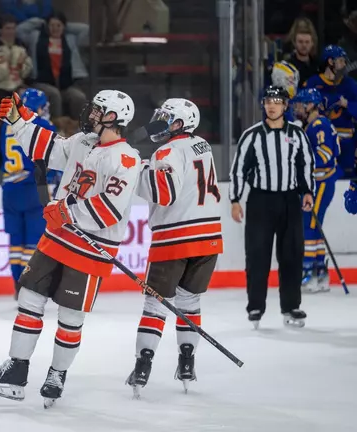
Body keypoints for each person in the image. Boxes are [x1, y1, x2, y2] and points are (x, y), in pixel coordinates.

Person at [0, 89, 140, 408]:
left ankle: (57, 374)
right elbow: (47, 148)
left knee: (70, 316)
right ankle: (17, 369)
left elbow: (110, 210)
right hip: (57, 239)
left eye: (96, 111)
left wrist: (67, 211)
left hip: (91, 249)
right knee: (29, 298)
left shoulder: (126, 158)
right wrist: (19, 120)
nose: (89, 114)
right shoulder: (81, 142)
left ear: (112, 117)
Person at [126, 98, 223, 397]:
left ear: (181, 123)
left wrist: (138, 169)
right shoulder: (202, 145)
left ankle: (143, 366)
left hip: (174, 238)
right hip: (208, 238)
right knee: (190, 303)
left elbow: (164, 194)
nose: (160, 123)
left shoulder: (166, 150)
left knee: (155, 306)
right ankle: (186, 363)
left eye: (167, 118)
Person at [230, 86, 314, 329]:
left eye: (277, 101)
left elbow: (305, 163)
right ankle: (255, 306)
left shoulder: (297, 134)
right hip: (260, 201)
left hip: (289, 200)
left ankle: (291, 306)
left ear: (286, 106)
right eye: (268, 100)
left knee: (292, 255)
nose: (272, 105)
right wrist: (235, 199)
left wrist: (307, 191)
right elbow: (238, 169)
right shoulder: (252, 135)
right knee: (257, 256)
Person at [0, 89, 53, 293]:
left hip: (9, 188)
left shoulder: (7, 125)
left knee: (16, 242)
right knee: (34, 240)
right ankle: (29, 285)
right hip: (33, 187)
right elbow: (54, 156)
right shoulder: (42, 124)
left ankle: (16, 284)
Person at [291, 88, 341, 294]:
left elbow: (326, 154)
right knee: (314, 226)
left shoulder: (318, 125)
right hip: (319, 183)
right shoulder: (312, 125)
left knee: (309, 226)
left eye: (302, 104)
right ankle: (321, 273)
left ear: (311, 105)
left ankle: (308, 273)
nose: (298, 108)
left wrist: (302, 161)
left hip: (322, 183)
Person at [303, 45, 357, 177]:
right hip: (320, 139)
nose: (344, 64)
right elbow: (301, 107)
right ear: (330, 61)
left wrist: (348, 105)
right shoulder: (313, 82)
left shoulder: (350, 84)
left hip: (346, 141)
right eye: (341, 60)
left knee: (347, 177)